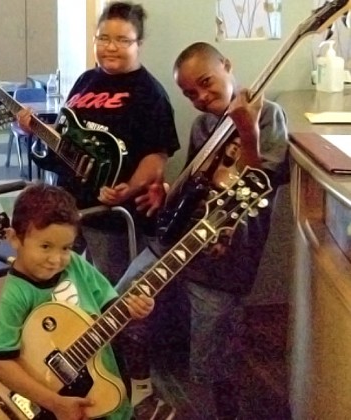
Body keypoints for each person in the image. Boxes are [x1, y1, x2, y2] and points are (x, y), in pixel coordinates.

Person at [116, 42, 289, 420]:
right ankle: (140, 391)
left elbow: (257, 182)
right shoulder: (203, 125)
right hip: (174, 244)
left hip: (222, 262)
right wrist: (167, 193)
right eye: (189, 93)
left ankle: (222, 412)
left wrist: (247, 131)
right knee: (123, 303)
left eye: (206, 83)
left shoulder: (268, 117)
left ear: (227, 66)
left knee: (214, 354)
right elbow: (196, 182)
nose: (201, 96)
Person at [17, 1, 180, 285]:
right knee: (52, 278)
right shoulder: (86, 80)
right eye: (103, 38)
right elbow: (66, 132)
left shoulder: (150, 94)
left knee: (105, 287)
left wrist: (127, 190)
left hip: (111, 215)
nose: (110, 47)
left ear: (138, 43)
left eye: (122, 40)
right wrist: (36, 130)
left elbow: (157, 156)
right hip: (67, 206)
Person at [0, 184, 155, 420]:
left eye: (66, 247)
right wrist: (54, 402)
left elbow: (111, 308)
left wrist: (132, 308)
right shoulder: (16, 295)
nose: (56, 259)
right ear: (14, 238)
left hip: (102, 381)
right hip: (56, 402)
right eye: (45, 246)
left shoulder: (74, 263)